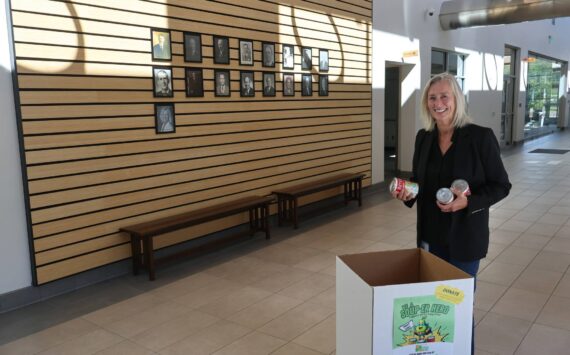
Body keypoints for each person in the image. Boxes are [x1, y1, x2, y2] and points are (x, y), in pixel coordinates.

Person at [392, 72, 511, 354]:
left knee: (457, 303)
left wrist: (467, 203)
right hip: (431, 237)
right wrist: (407, 193)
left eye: (444, 96)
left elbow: (501, 185)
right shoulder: (424, 138)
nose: (438, 103)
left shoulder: (480, 137)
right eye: (432, 98)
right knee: (434, 303)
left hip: (465, 239)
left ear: (456, 99)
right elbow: (420, 184)